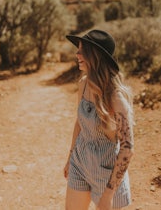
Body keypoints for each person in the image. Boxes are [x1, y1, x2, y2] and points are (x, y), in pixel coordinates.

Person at [64, 29, 134, 210]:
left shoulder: (116, 97)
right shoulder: (83, 84)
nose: (77, 54)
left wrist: (108, 194)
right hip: (79, 161)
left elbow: (127, 148)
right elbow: (79, 122)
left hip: (107, 172)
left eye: (81, 51)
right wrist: (70, 157)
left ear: (94, 56)